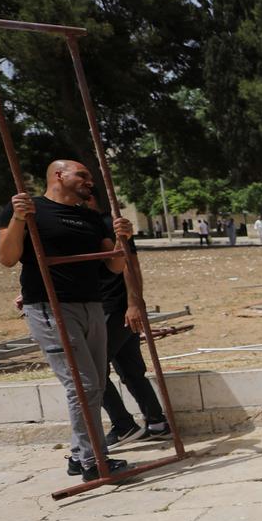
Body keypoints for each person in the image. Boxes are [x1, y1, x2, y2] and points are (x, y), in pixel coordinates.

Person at [0, 159, 138, 480]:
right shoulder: (27, 210)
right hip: (50, 306)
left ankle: (79, 456)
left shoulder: (90, 216)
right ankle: (92, 462)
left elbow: (114, 266)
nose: (90, 181)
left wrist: (121, 240)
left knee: (96, 383)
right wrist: (19, 217)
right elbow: (6, 258)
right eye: (83, 175)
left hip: (92, 304)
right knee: (83, 384)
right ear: (59, 176)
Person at [84, 191, 170, 446]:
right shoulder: (78, 226)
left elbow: (131, 264)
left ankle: (123, 425)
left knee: (91, 369)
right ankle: (156, 422)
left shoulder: (108, 225)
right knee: (130, 369)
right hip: (102, 307)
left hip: (114, 307)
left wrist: (134, 304)